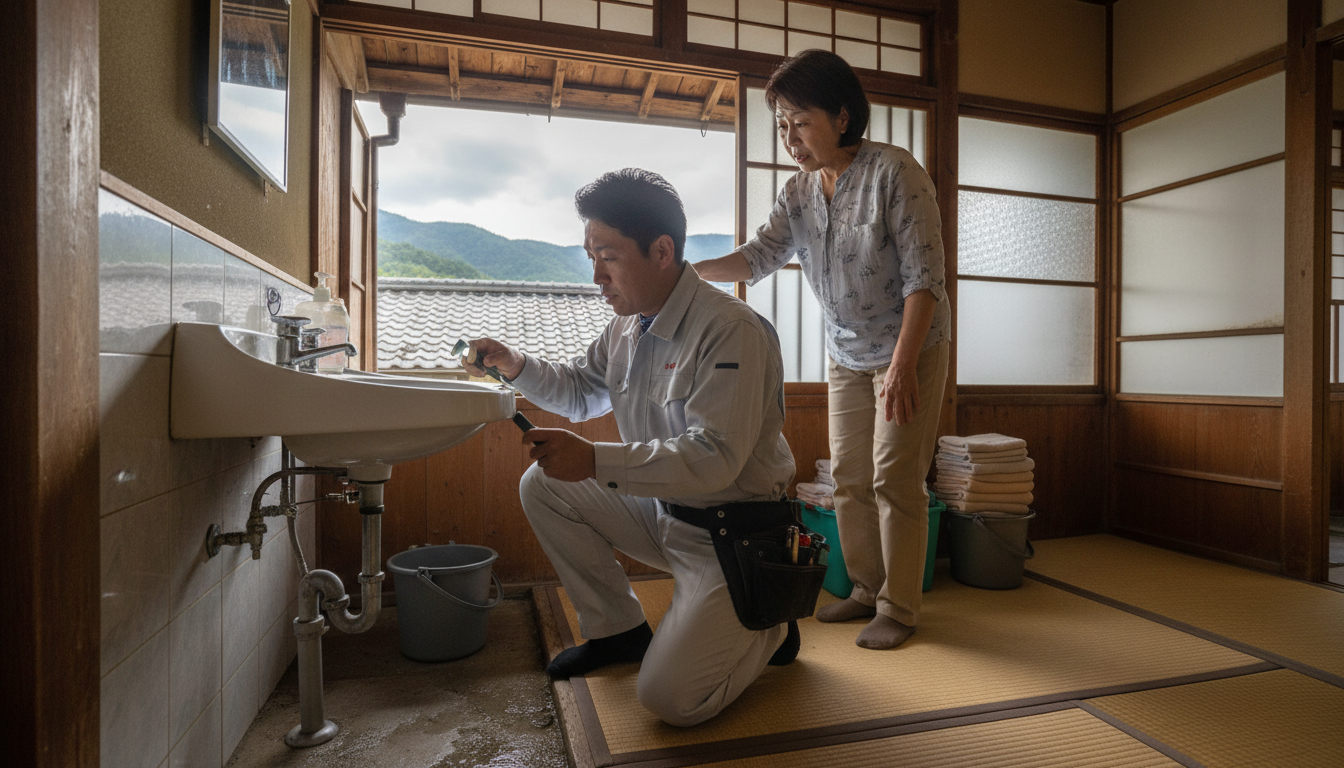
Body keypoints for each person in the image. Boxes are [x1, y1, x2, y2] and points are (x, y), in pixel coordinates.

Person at [463, 168, 799, 727]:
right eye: (590, 256)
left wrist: (595, 460)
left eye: (608, 256)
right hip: (667, 518)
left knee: (668, 702)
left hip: (736, 536)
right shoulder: (626, 328)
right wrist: (514, 365)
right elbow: (576, 391)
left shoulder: (730, 329)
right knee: (545, 482)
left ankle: (772, 619)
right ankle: (618, 630)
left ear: (662, 250)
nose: (596, 275)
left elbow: (715, 457)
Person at [697, 49, 950, 651]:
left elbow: (925, 280)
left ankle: (901, 607)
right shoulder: (798, 192)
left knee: (895, 477)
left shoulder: (896, 172)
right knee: (850, 480)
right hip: (846, 353)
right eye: (781, 125)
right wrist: (685, 274)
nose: (789, 138)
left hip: (908, 350)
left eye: (799, 122)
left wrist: (903, 365)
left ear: (841, 116)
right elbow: (758, 258)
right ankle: (865, 589)